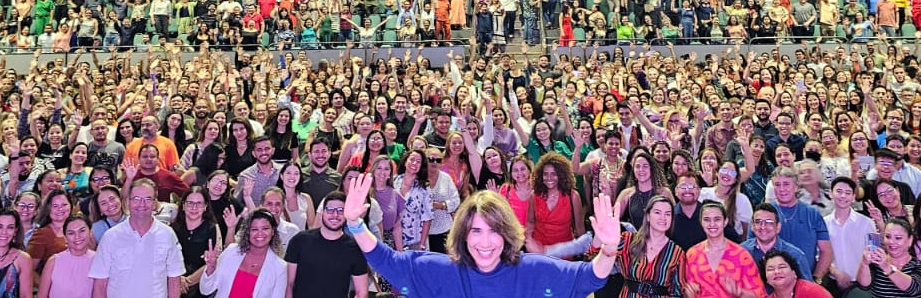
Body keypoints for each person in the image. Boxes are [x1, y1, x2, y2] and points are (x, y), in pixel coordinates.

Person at [336, 171, 617, 297]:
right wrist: (355, 223)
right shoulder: (440, 270)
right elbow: (387, 260)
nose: (485, 242)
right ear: (463, 235)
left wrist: (608, 249)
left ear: (507, 235)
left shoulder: (532, 270)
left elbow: (589, 277)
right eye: (476, 231)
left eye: (494, 231)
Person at [89, 179, 185, 298]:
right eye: (136, 199)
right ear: (127, 202)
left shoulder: (167, 234)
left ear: (155, 203)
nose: (142, 204)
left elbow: (174, 279)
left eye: (148, 199)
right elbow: (100, 282)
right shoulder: (110, 237)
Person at [283, 191, 370, 298]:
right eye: (330, 210)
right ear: (322, 212)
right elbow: (288, 285)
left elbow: (362, 292)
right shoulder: (300, 241)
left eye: (341, 210)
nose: (335, 215)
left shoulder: (354, 248)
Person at [683, 200, 766, 298]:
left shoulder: (741, 255)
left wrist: (739, 292)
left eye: (717, 219)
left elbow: (759, 295)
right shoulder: (692, 254)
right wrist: (688, 294)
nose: (712, 224)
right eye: (707, 220)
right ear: (701, 222)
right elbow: (686, 288)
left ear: (725, 221)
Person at [200, 208, 288, 298]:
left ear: (273, 231)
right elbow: (206, 290)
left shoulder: (280, 267)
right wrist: (211, 267)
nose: (260, 234)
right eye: (254, 229)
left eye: (265, 229)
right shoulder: (231, 251)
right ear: (248, 232)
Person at [857, 218, 921, 298]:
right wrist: (864, 263)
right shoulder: (876, 265)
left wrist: (886, 266)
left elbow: (913, 288)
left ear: (910, 240)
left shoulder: (920, 267)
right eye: (888, 237)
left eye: (898, 238)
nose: (891, 241)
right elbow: (864, 286)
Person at [38, 217, 96, 298]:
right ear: (65, 237)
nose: (77, 236)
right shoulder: (53, 261)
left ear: (90, 233)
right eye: (71, 233)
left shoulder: (98, 260)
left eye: (82, 231)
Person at [763, 250, 835, 298]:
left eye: (782, 267)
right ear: (766, 279)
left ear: (794, 273)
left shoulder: (813, 292)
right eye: (770, 269)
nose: (776, 272)